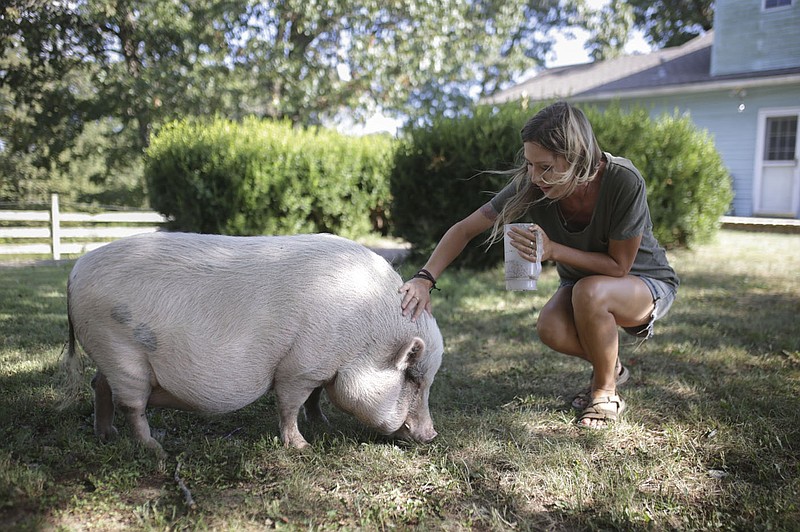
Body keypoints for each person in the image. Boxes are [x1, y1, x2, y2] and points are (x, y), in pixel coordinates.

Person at [399, 101, 679, 429]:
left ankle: (605, 391)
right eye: (530, 164)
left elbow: (619, 266)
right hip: (582, 286)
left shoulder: (622, 180)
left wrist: (553, 249)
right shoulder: (533, 184)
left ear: (577, 156)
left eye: (545, 167)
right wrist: (424, 278)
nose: (535, 176)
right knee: (550, 326)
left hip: (643, 282)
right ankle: (611, 366)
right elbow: (465, 229)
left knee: (590, 292)